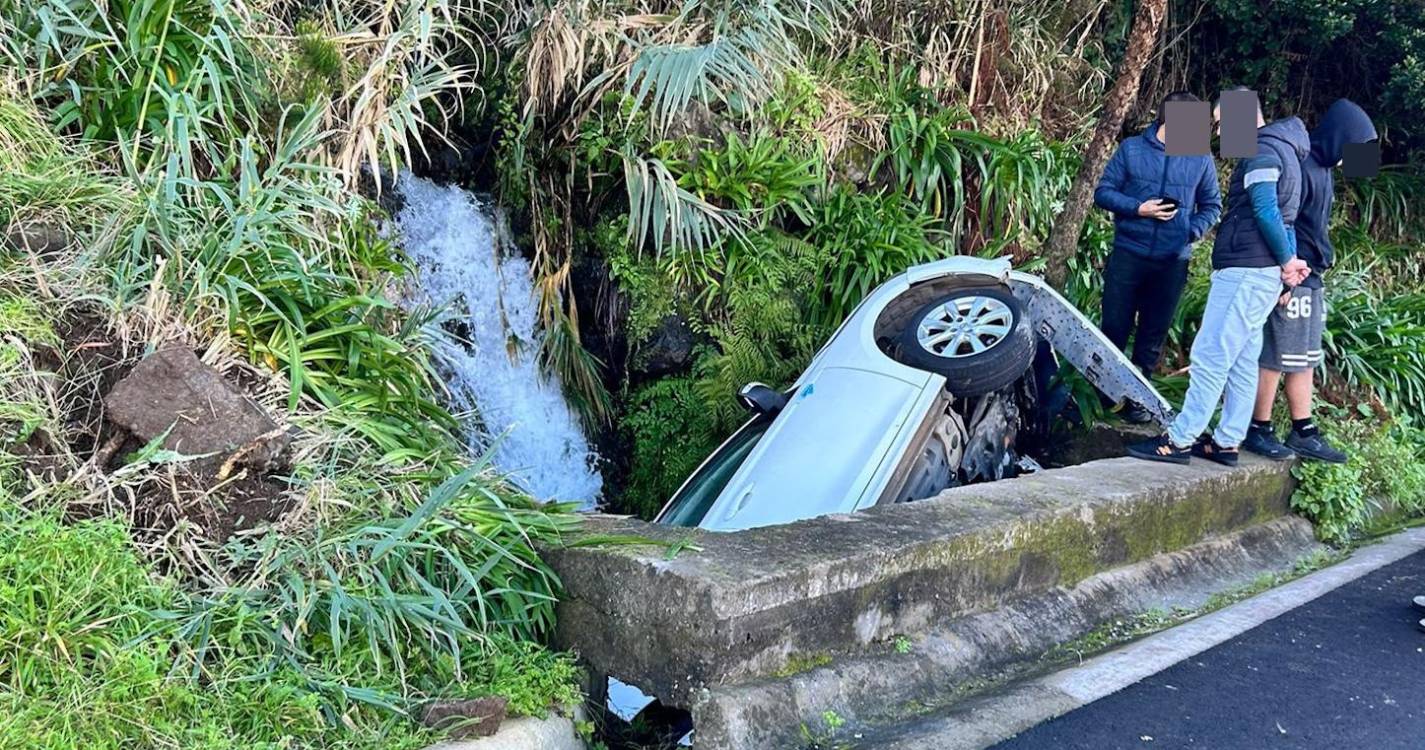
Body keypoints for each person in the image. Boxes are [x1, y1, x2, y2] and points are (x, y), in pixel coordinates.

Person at [1128, 95, 1311, 465]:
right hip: (1264, 274)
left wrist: (1287, 261)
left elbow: (1264, 210)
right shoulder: (1287, 152)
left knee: (1211, 353)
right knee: (1243, 359)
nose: (1219, 132)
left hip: (1246, 270)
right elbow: (1287, 217)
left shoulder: (1261, 151)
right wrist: (1287, 271)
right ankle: (1227, 442)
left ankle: (1179, 440)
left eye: (1221, 123)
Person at [1243, 99, 1377, 463]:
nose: (1361, 158)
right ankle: (1259, 427)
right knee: (1275, 355)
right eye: (1359, 147)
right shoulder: (1300, 164)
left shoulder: (1325, 168)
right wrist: (1285, 276)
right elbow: (1282, 219)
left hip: (1311, 275)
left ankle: (1304, 430)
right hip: (1293, 273)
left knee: (1303, 356)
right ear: (1341, 137)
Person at [1093, 92, 1223, 422]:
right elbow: (1103, 192)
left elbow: (1212, 207)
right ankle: (1104, 396)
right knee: (1114, 326)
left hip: (1172, 260)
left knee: (1153, 333)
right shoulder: (1132, 149)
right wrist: (1139, 209)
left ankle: (1140, 400)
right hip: (1129, 252)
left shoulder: (1200, 157)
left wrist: (1188, 231)